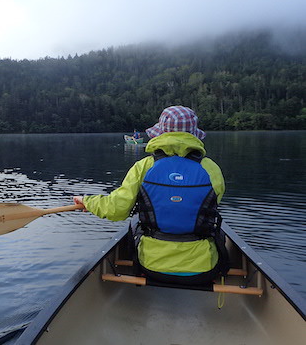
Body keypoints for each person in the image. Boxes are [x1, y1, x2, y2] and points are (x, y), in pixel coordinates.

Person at [74, 105, 228, 285]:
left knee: (136, 228)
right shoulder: (211, 169)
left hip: (152, 266)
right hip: (203, 268)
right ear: (194, 135)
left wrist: (88, 202)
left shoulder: (143, 167)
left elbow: (117, 210)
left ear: (160, 133)